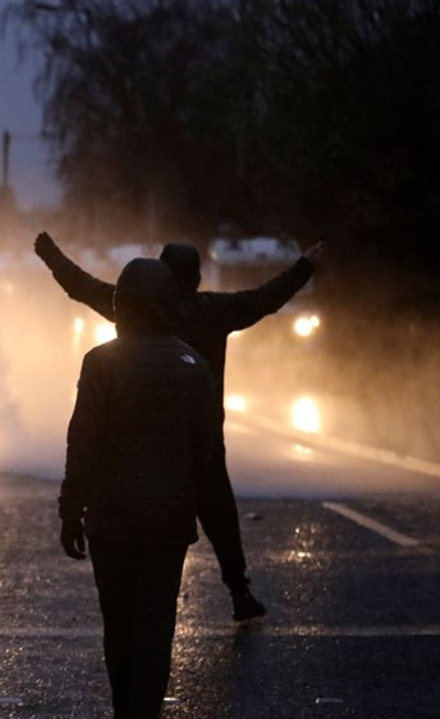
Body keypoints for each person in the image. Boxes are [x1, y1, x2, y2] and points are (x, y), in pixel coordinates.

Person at [35, 232, 322, 621]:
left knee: (136, 519)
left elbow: (82, 286)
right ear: (197, 276)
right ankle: (239, 591)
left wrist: (51, 253)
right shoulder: (215, 311)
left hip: (135, 442)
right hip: (199, 443)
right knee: (221, 516)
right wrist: (304, 265)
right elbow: (266, 298)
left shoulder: (131, 309)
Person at [59, 258, 214, 719]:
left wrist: (71, 509)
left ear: (120, 304)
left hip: (113, 516)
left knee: (119, 622)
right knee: (156, 624)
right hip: (168, 519)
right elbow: (204, 448)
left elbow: (83, 440)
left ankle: (124, 709)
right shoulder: (194, 364)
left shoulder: (101, 362)